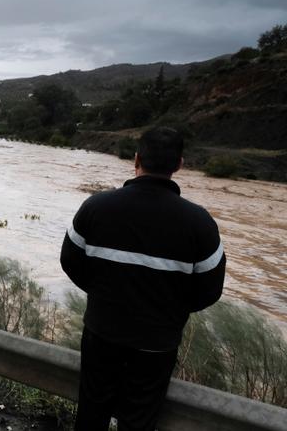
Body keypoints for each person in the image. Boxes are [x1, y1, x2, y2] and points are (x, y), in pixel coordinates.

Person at [60, 127, 226, 431]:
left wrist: (102, 295)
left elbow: (70, 262)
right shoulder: (200, 222)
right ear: (179, 165)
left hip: (102, 331)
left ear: (135, 159)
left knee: (92, 411)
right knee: (139, 419)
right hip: (158, 343)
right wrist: (170, 311)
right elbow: (210, 289)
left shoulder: (96, 207)